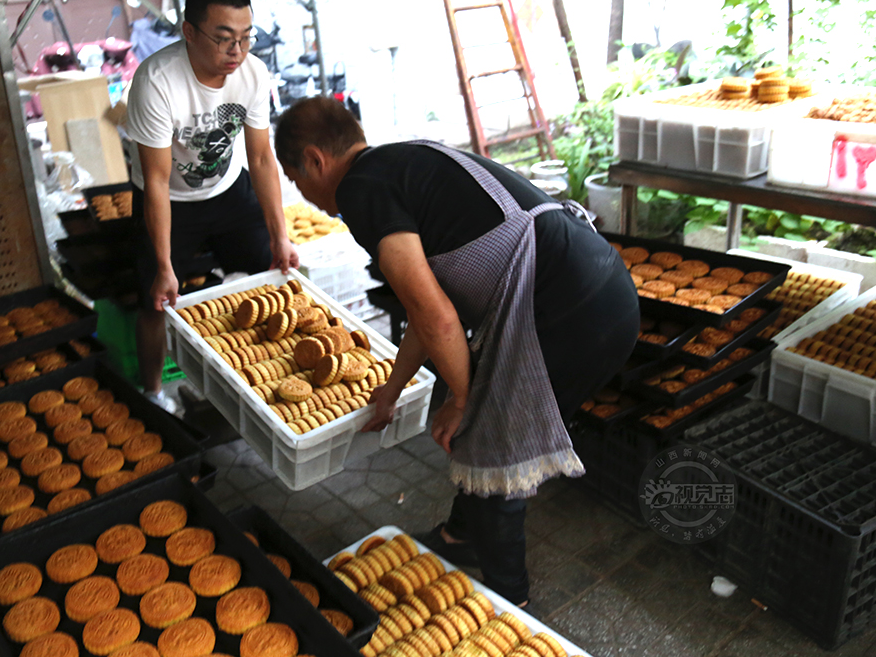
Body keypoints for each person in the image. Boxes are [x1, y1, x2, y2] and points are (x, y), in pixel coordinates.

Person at [273, 96, 639, 605]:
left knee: (491, 448)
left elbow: (437, 317)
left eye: (296, 182)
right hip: (601, 290)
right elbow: (427, 305)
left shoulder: (361, 190)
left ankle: (512, 605)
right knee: (483, 428)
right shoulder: (399, 161)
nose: (305, 198)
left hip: (570, 310)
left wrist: (463, 400)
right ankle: (461, 537)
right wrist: (392, 390)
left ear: (315, 160)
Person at [122, 0, 299, 412]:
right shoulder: (157, 81)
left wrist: (281, 235)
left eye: (244, 38)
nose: (235, 52)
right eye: (223, 40)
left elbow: (260, 160)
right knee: (155, 301)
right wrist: (165, 266)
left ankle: (275, 375)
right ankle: (153, 393)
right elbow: (158, 181)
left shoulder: (253, 74)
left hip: (227, 191)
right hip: (170, 202)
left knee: (274, 274)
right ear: (188, 32)